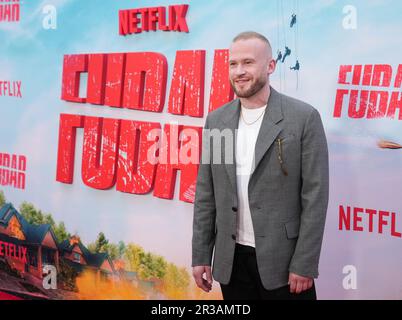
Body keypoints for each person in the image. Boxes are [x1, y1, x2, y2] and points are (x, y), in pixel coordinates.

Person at [192, 31, 329, 300]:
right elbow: (206, 194)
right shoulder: (217, 120)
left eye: (248, 63)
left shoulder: (303, 118)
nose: (239, 71)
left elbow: (315, 197)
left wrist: (304, 263)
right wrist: (201, 255)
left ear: (270, 66)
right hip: (231, 263)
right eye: (233, 64)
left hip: (285, 264)